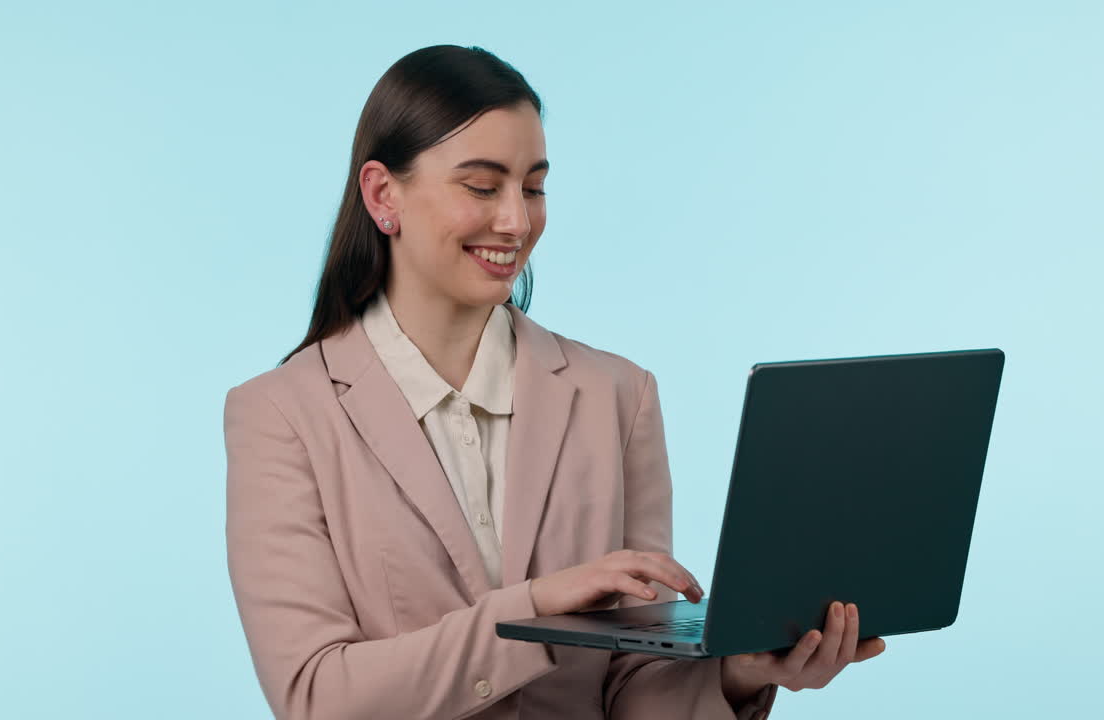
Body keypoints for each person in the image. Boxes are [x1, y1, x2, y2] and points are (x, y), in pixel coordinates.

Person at [223, 44, 885, 720]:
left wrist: (736, 676)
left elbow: (635, 683)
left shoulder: (619, 396)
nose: (517, 222)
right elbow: (316, 697)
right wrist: (534, 608)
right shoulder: (281, 415)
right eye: (483, 187)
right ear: (382, 194)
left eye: (533, 188)